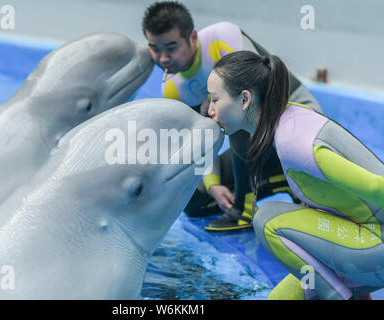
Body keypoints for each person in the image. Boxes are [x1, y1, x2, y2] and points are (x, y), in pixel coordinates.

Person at [206, 50, 384, 300]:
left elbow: (378, 188)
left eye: (215, 99)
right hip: (359, 240)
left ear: (244, 99)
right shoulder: (287, 119)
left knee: (267, 219)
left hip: (374, 246)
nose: (209, 110)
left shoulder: (294, 141)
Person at [142, 1, 323, 231]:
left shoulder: (221, 38)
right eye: (155, 49)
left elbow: (254, 97)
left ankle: (244, 208)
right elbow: (200, 143)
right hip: (260, 147)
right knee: (194, 200)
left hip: (298, 121)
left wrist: (216, 98)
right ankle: (277, 179)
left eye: (171, 47)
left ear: (193, 38)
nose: (164, 58)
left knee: (239, 112)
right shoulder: (173, 89)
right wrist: (212, 185)